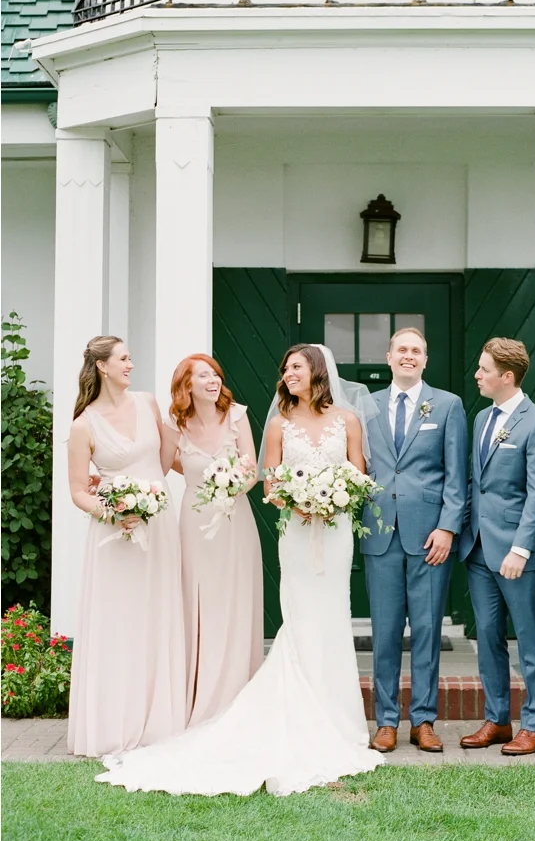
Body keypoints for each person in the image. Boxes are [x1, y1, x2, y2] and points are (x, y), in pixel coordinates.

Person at [95, 344, 383, 795]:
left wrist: (333, 499)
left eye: (296, 368)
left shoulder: (347, 421)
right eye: (285, 367)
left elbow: (357, 474)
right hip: (297, 531)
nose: (287, 374)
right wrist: (300, 501)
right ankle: (294, 708)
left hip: (336, 529)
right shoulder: (276, 424)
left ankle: (340, 719)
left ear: (319, 373)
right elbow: (270, 480)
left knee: (333, 616)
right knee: (302, 616)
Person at [65, 337, 188, 757]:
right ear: (102, 366)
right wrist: (112, 513)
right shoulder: (84, 425)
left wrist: (215, 474)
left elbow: (168, 457)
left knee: (158, 614)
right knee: (119, 620)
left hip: (160, 528)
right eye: (123, 358)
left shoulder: (148, 403)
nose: (130, 364)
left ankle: (159, 719)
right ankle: (113, 722)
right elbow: (79, 491)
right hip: (115, 535)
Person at [359, 327, 468, 754]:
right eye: (401, 349)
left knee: (426, 631)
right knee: (384, 633)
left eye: (416, 351)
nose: (408, 356)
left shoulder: (448, 405)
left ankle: (423, 721)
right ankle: (386, 721)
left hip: (429, 538)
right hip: (381, 533)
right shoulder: (365, 406)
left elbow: (456, 475)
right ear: (388, 357)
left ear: (426, 360)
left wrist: (447, 527)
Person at [456, 337, 535, 755]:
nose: (477, 375)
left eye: (484, 369)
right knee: (488, 637)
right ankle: (497, 720)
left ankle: (534, 726)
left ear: (507, 376)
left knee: (530, 639)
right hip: (479, 550)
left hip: (520, 553)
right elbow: (475, 482)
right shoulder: (482, 419)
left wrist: (521, 548)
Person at [167, 354, 263, 726]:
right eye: (203, 376)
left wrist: (232, 485)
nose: (213, 381)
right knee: (199, 601)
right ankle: (197, 693)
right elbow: (164, 463)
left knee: (234, 600)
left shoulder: (236, 416)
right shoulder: (176, 424)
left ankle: (238, 692)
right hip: (194, 524)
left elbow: (251, 467)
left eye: (216, 375)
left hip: (234, 520)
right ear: (186, 385)